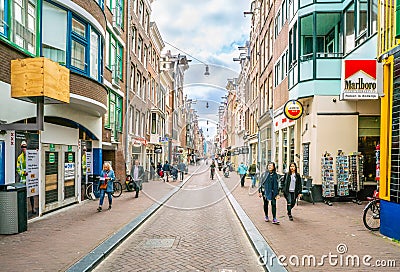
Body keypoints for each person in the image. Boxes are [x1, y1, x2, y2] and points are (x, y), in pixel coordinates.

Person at [16, 141, 36, 215]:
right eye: (23, 147)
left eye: (25, 147)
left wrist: (37, 152)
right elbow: (18, 169)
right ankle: (24, 210)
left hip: (30, 179)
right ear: (21, 148)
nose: (24, 148)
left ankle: (33, 208)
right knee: (24, 196)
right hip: (23, 180)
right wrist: (23, 173)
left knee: (31, 195)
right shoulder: (19, 158)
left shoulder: (30, 155)